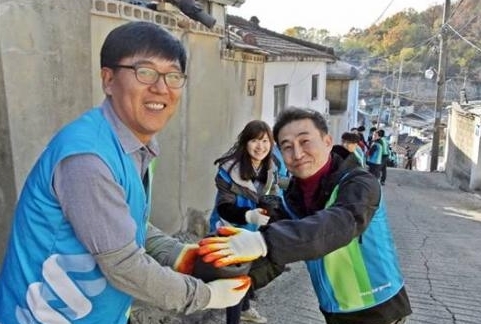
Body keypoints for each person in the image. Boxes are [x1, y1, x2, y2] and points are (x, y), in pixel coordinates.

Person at [0, 21, 250, 323]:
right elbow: (124, 265)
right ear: (108, 80)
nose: (161, 88)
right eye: (144, 72)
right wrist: (205, 296)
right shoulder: (88, 159)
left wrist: (179, 254)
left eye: (173, 76)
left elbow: (126, 223)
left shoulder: (133, 144)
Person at [199, 107, 412, 324]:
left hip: (381, 311)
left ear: (328, 141)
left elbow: (337, 225)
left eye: (305, 142)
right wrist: (232, 280)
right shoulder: (293, 199)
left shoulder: (360, 183)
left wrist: (263, 241)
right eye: (287, 147)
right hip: (334, 309)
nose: (297, 154)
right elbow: (275, 257)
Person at [209, 120, 284, 324]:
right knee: (235, 277)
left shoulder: (270, 168)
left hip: (254, 231)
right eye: (254, 141)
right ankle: (234, 317)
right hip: (228, 229)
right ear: (245, 142)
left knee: (253, 270)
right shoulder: (229, 171)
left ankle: (245, 306)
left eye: (265, 141)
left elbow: (273, 195)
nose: (260, 146)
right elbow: (224, 206)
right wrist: (248, 215)